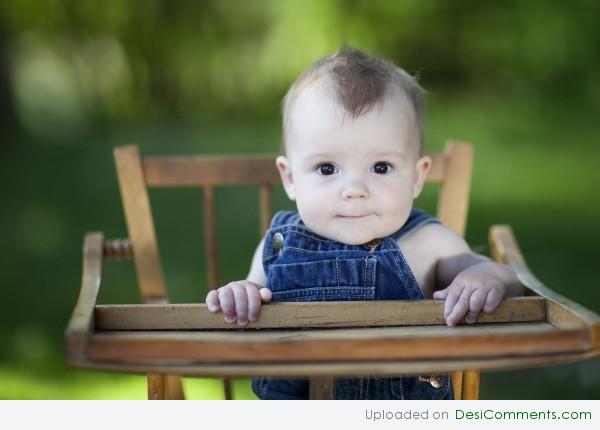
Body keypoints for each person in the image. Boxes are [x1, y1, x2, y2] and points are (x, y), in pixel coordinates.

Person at [205, 46, 522, 399]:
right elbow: (250, 298)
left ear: (417, 177)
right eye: (327, 169)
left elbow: (506, 279)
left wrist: (487, 277)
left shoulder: (428, 242)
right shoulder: (278, 246)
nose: (354, 190)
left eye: (381, 167)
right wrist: (241, 296)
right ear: (290, 177)